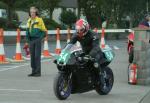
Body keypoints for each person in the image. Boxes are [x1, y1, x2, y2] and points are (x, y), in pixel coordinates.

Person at [26, 7, 46, 77]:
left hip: (37, 40)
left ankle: (38, 72)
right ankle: (33, 71)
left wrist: (40, 38)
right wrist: (27, 40)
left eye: (34, 12)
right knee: (32, 56)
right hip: (31, 40)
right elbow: (27, 31)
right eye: (31, 12)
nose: (32, 14)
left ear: (36, 13)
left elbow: (44, 31)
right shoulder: (29, 21)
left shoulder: (39, 20)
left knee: (37, 56)